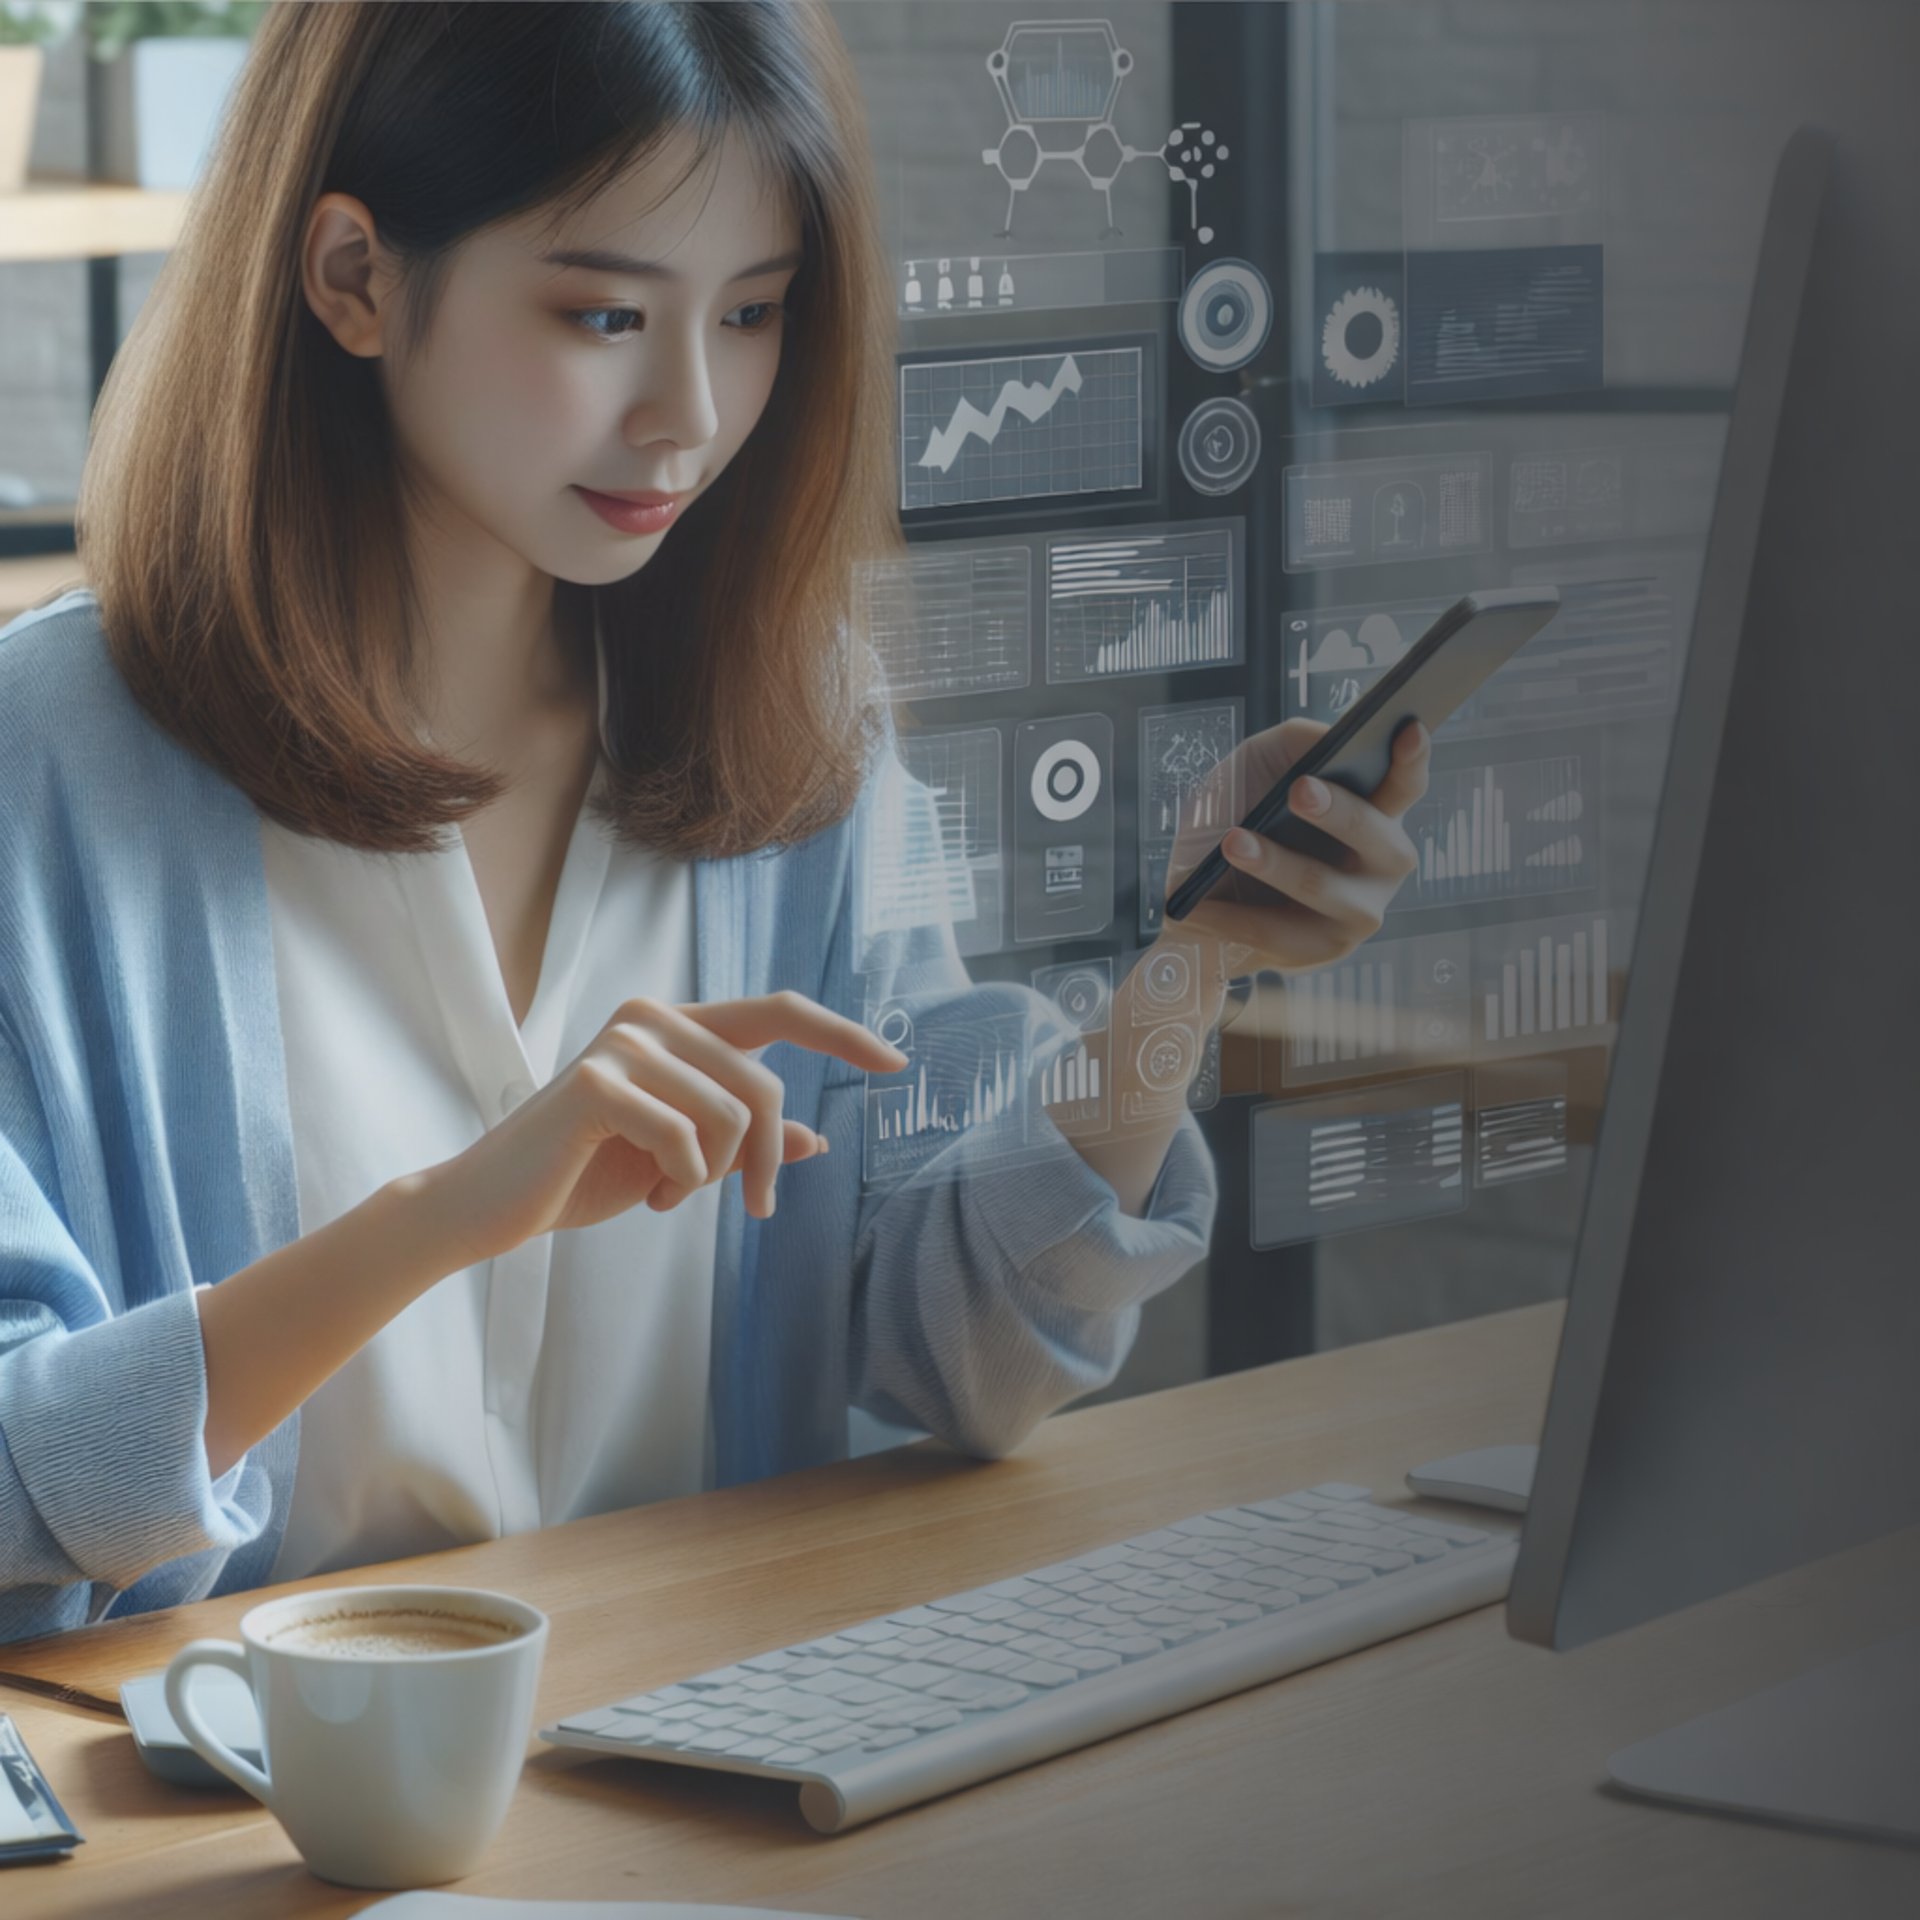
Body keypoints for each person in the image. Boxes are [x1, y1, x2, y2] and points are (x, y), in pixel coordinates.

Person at [0, 0, 1429, 1645]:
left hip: (699, 1773)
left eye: (752, 313)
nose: (690, 413)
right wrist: (447, 1218)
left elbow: (949, 1345)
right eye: (606, 314)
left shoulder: (786, 727)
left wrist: (1195, 965)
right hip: (246, 1833)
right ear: (353, 277)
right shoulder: (52, 775)